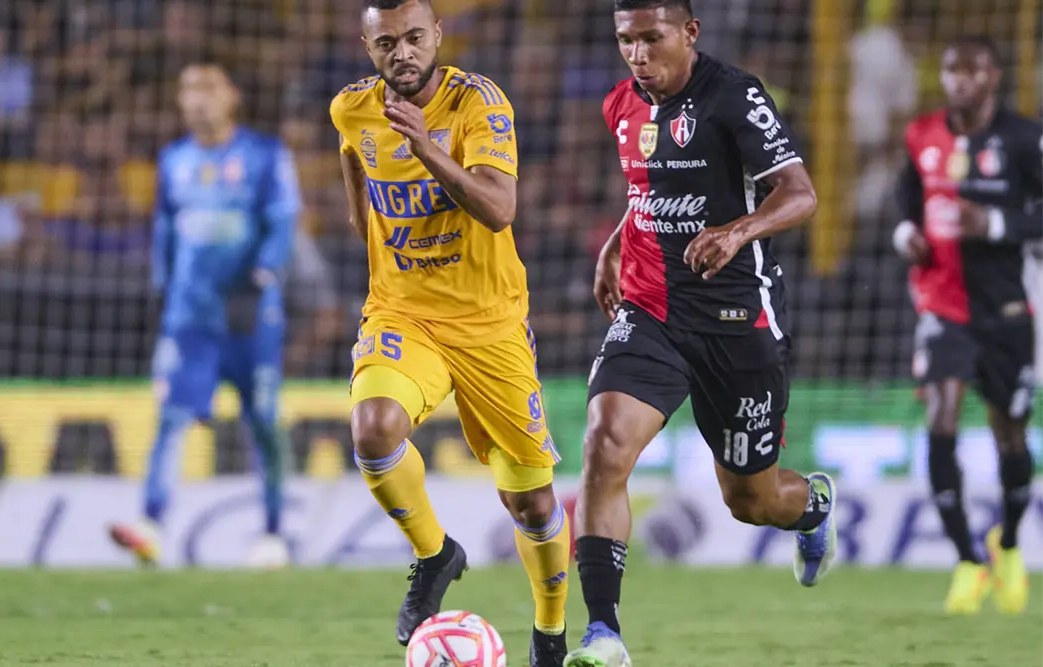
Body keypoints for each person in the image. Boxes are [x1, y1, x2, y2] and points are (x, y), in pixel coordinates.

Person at [565, 2, 832, 665]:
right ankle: (603, 634)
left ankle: (812, 507)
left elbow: (799, 193)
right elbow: (644, 194)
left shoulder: (733, 96)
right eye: (625, 40)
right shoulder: (619, 106)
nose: (636, 53)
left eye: (650, 38)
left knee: (750, 499)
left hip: (737, 321)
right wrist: (613, 248)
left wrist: (737, 231)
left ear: (689, 33)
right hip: (652, 311)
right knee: (604, 443)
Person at [329, 1, 569, 664]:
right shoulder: (350, 109)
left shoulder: (479, 103)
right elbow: (359, 192)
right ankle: (435, 553)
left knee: (529, 500)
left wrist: (426, 149)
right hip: (403, 312)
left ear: (436, 35)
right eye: (386, 43)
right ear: (367, 45)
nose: (401, 53)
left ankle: (549, 630)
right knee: (373, 427)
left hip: (489, 324)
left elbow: (498, 208)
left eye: (412, 37)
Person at [108, 61, 300, 569]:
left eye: (208, 88)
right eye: (188, 89)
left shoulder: (263, 155)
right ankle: (150, 525)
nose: (197, 99)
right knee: (170, 418)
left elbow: (282, 222)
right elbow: (166, 230)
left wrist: (262, 277)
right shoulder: (173, 160)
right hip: (191, 319)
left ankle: (275, 533)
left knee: (262, 421)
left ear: (231, 95)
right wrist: (163, 289)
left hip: (250, 317)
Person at [892, 35, 1040, 615]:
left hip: (1005, 310)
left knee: (1011, 434)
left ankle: (1007, 544)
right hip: (942, 306)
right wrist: (907, 236)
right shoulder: (921, 134)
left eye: (972, 70)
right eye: (952, 69)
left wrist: (998, 225)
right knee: (941, 417)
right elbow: (907, 202)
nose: (960, 80)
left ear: (994, 77)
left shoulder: (1024, 139)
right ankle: (966, 561)